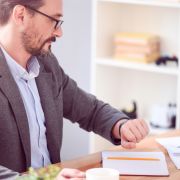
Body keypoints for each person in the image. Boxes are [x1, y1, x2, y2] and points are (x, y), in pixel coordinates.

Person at [0, 0, 150, 179]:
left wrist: (120, 125)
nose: (59, 32)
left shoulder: (46, 64)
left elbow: (89, 110)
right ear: (21, 16)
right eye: (53, 20)